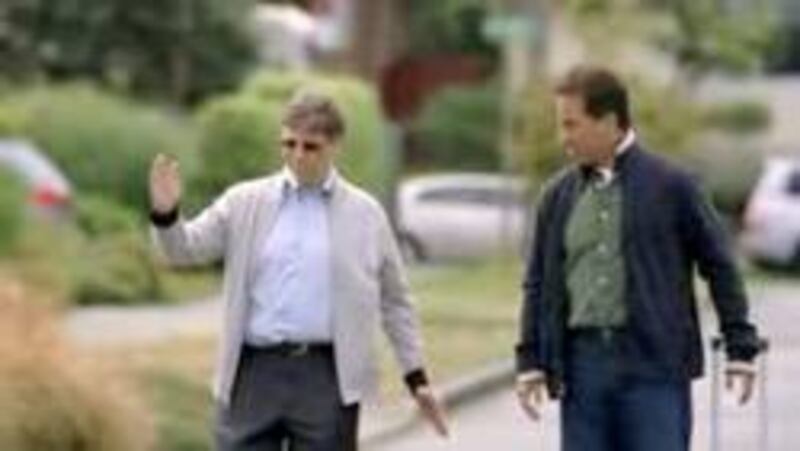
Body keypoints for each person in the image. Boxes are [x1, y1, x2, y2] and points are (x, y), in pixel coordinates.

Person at [149, 90, 448, 451]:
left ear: (334, 146)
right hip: (253, 373)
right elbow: (183, 250)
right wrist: (166, 215)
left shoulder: (365, 215)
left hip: (327, 376)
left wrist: (416, 377)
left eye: (311, 147)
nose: (297, 155)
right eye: (289, 144)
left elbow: (395, 301)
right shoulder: (244, 202)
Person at [515, 65, 761, 451]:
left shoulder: (674, 187)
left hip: (655, 369)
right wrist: (530, 360)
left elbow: (720, 266)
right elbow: (538, 283)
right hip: (582, 373)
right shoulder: (557, 197)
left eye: (571, 125)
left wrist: (740, 347)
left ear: (610, 122)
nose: (564, 138)